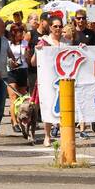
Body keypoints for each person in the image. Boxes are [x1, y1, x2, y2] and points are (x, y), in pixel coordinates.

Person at [31, 16, 65, 146]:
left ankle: (64, 135)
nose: (58, 29)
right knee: (48, 107)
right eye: (55, 26)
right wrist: (37, 51)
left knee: (64, 108)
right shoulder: (44, 42)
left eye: (60, 26)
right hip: (48, 80)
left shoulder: (66, 42)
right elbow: (33, 63)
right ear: (50, 28)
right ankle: (47, 136)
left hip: (63, 80)